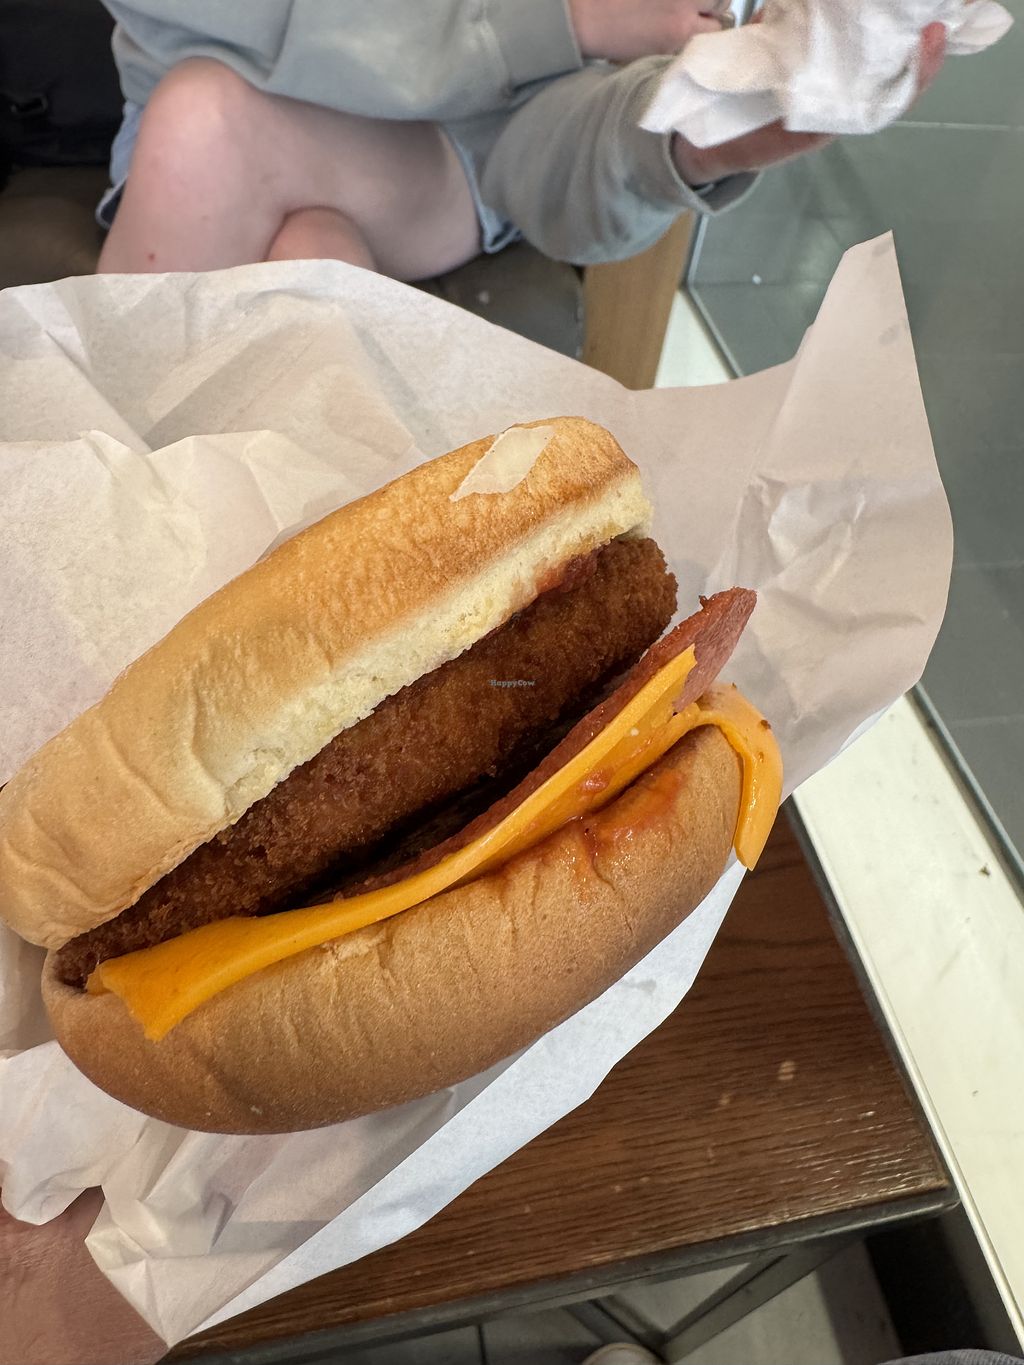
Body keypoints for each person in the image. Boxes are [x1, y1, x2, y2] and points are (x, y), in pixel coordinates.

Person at [95, 1, 947, 279]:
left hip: (442, 168)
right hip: (208, 140)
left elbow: (540, 153)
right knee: (313, 259)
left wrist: (686, 136)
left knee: (204, 126)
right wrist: (565, 20)